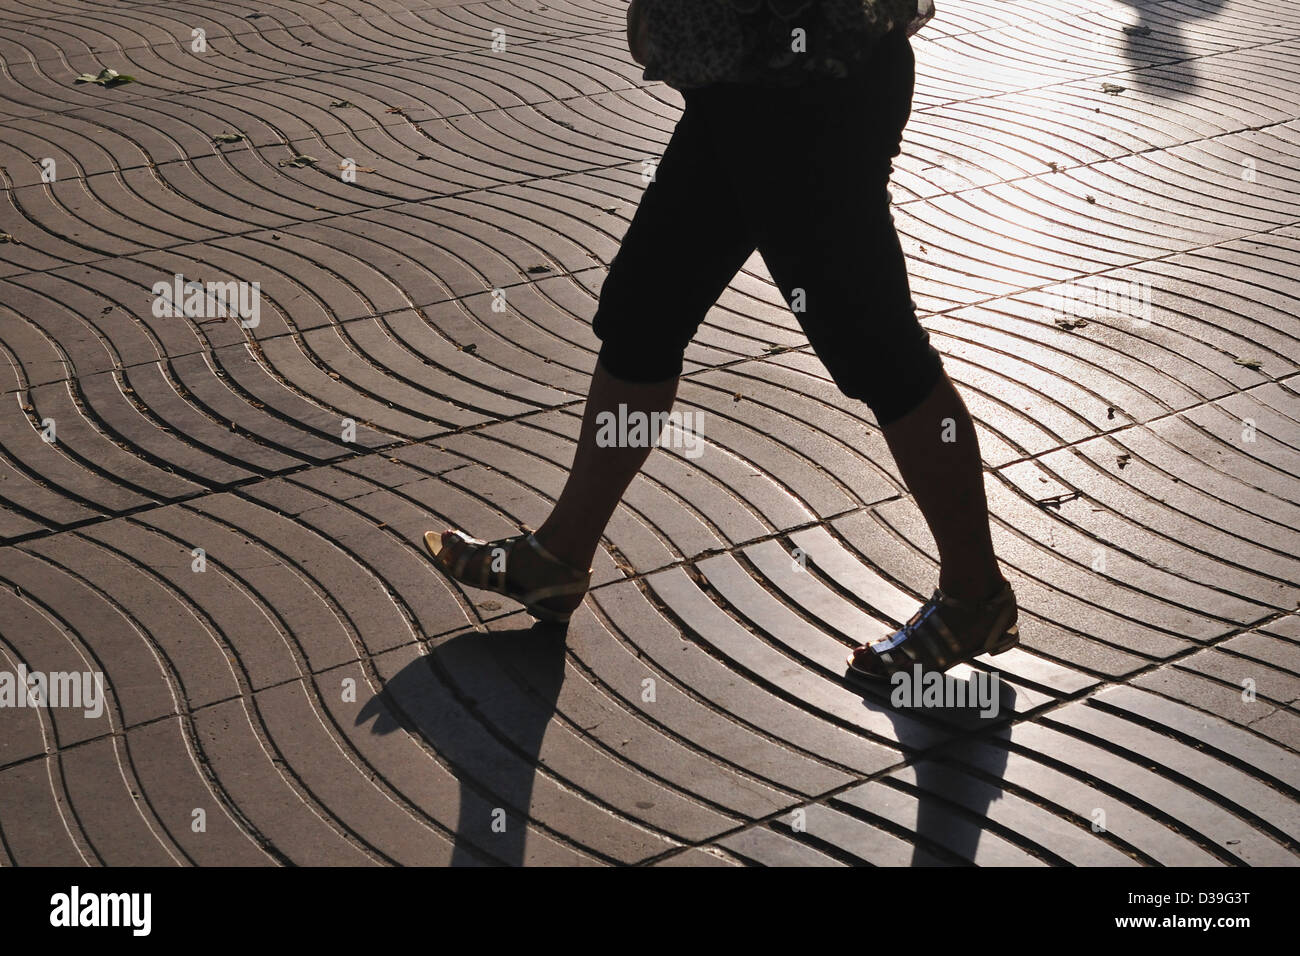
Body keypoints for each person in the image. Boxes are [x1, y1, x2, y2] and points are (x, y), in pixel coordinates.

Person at [425, 0, 1019, 680]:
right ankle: (558, 557)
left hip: (809, 88)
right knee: (644, 311)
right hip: (748, 83)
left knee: (875, 346)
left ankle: (975, 594)